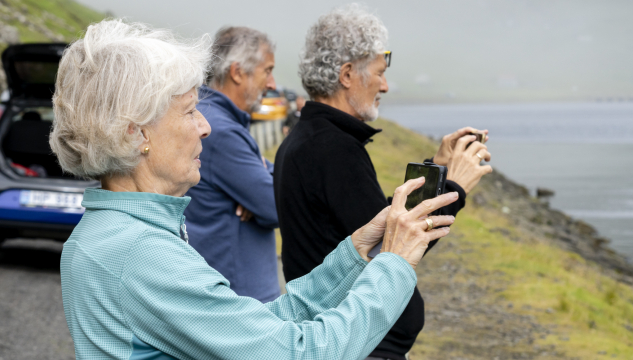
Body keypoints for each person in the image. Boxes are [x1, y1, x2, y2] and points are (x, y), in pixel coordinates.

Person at [52, 19, 459, 360]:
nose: (205, 127)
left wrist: (354, 253)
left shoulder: (105, 236)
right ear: (135, 132)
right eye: (190, 111)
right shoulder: (141, 255)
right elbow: (300, 353)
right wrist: (394, 265)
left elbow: (266, 327)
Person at [273, 5, 492, 360]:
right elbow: (392, 243)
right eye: (379, 73)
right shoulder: (333, 149)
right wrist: (456, 187)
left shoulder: (305, 138)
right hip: (361, 344)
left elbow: (371, 220)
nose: (385, 86)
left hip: (341, 334)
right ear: (347, 75)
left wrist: (435, 168)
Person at [184, 27, 280, 302]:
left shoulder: (209, 116)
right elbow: (276, 205)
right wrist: (263, 179)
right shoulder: (222, 131)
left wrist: (261, 173)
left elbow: (267, 195)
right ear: (238, 72)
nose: (272, 83)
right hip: (240, 299)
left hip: (227, 291)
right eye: (267, 70)